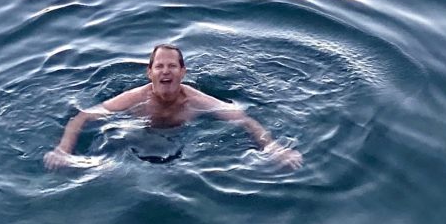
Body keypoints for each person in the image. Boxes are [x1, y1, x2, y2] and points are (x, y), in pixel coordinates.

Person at [44, 44, 302, 170]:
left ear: (182, 72)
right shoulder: (135, 99)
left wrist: (274, 148)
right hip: (132, 139)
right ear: (150, 72)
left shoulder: (197, 101)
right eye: (159, 66)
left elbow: (245, 120)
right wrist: (63, 151)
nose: (165, 70)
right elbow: (82, 117)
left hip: (182, 148)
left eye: (171, 66)